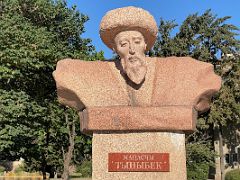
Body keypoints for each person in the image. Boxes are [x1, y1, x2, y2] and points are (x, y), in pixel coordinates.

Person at [53, 6, 221, 115]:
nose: (132, 50)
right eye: (124, 44)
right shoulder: (93, 75)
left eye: (137, 42)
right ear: (115, 48)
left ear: (146, 44)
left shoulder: (181, 71)